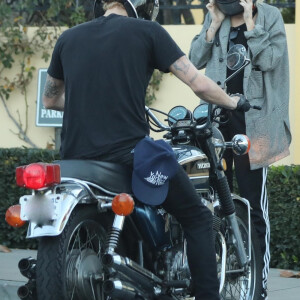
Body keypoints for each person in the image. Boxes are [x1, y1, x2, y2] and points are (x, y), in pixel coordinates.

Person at [42, 0, 251, 299]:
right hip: (126, 156)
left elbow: (50, 100)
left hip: (75, 161)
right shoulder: (147, 31)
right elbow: (198, 83)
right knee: (199, 217)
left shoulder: (69, 37)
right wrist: (233, 102)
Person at [189, 0, 292, 299]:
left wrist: (250, 23)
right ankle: (213, 281)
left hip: (254, 122)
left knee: (252, 206)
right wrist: (212, 23)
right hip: (216, 122)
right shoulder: (217, 16)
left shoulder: (269, 16)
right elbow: (194, 60)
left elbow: (272, 59)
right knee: (210, 203)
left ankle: (258, 286)